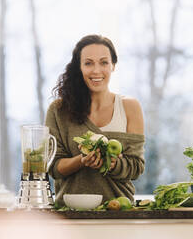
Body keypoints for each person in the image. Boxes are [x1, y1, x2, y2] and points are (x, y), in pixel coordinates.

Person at [45, 34, 145, 206]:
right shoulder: (59, 110)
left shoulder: (130, 107)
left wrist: (112, 163)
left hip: (118, 211)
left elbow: (136, 167)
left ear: (113, 65)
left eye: (104, 62)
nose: (96, 70)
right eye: (88, 63)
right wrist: (82, 160)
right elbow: (53, 167)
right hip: (70, 213)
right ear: (79, 67)